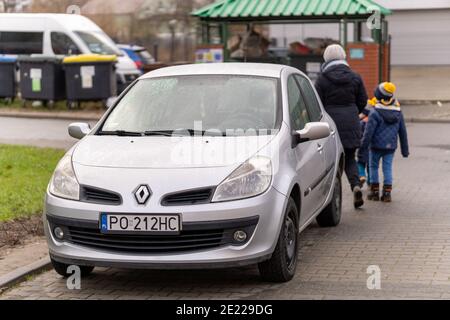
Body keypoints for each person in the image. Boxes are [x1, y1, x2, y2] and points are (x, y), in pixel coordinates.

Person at [315, 44, 368, 209]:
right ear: (344, 56)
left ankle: (330, 199)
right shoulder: (355, 77)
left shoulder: (322, 79)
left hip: (330, 124)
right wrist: (353, 112)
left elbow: (317, 104)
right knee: (350, 158)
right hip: (351, 122)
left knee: (331, 160)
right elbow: (363, 100)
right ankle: (355, 186)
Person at [358, 82, 409, 202]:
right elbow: (403, 132)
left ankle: (374, 192)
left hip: (375, 146)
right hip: (391, 146)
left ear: (379, 95)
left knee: (373, 167)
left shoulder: (374, 112)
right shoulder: (398, 111)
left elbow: (368, 132)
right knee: (387, 168)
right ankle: (387, 194)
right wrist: (405, 150)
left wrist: (363, 147)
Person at [357, 97, 377, 186]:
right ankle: (370, 181)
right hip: (373, 148)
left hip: (362, 147)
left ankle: (361, 176)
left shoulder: (362, 122)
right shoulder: (376, 122)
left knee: (360, 163)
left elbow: (358, 135)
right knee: (370, 167)